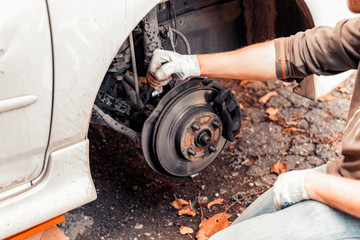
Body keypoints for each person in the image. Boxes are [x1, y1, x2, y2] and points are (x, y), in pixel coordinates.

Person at [148, 1, 360, 239]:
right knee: (242, 225)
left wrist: (311, 185)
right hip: (348, 177)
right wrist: (192, 63)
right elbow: (293, 53)